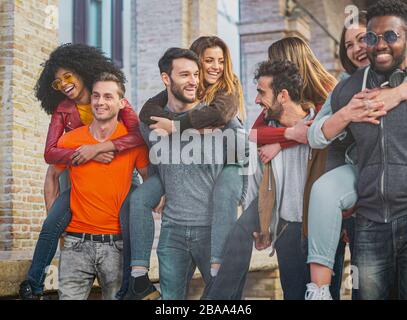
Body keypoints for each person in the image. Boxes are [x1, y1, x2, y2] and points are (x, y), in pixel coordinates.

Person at [203, 36, 336, 300]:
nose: (273, 66)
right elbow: (255, 135)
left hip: (318, 210)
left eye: (277, 61)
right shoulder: (272, 108)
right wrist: (286, 136)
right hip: (281, 209)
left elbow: (318, 132)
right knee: (241, 234)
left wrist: (279, 143)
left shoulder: (327, 93)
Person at [19, 44, 145, 300]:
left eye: (67, 76)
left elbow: (137, 136)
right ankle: (34, 284)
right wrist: (89, 153)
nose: (64, 84)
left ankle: (133, 284)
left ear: (81, 70)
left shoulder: (113, 99)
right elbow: (50, 153)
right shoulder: (63, 109)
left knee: (129, 224)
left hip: (120, 174)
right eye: (57, 83)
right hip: (80, 177)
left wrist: (105, 147)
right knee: (51, 224)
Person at [124, 36, 247, 299]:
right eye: (186, 74)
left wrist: (238, 192)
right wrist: (162, 187)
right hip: (172, 234)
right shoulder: (152, 120)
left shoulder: (219, 113)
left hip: (214, 231)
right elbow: (155, 158)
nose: (194, 79)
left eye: (195, 74)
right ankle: (137, 275)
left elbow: (242, 153)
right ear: (166, 79)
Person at [305, 9, 407, 299]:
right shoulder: (345, 88)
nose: (373, 45)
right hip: (369, 210)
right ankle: (320, 288)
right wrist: (348, 113)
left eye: (389, 36)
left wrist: (398, 93)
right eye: (370, 38)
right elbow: (315, 135)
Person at [53, 73, 149, 299]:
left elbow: (149, 179)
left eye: (108, 96)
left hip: (117, 245)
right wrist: (56, 225)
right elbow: (51, 179)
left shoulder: (132, 143)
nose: (100, 102)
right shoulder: (70, 140)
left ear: (121, 103)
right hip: (76, 244)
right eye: (96, 96)